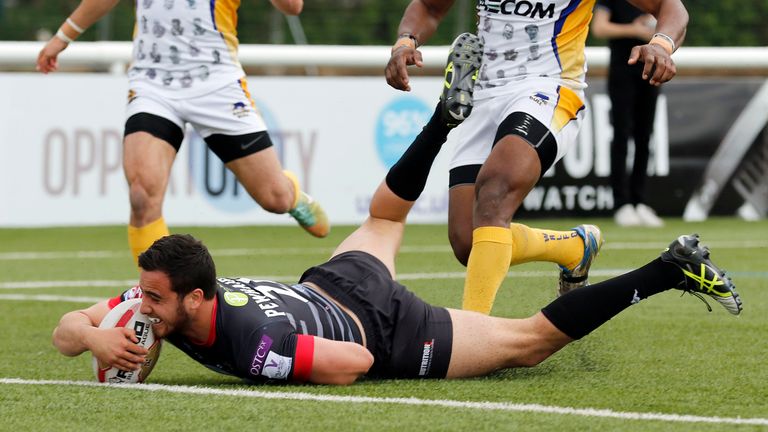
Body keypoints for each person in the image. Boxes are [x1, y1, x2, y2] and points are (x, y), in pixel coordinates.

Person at [52, 107, 742, 385]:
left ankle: (667, 268)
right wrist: (95, 339)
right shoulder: (166, 299)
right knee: (385, 216)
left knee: (528, 343)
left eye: (151, 297)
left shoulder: (250, 340)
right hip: (328, 281)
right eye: (140, 295)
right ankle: (444, 118)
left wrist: (283, 369)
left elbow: (351, 362)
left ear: (196, 298)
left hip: (381, 324)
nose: (138, 305)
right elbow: (64, 331)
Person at [385, 0, 688, 315]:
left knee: (495, 190)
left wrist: (661, 43)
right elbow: (429, 7)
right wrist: (405, 42)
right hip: (482, 95)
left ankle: (470, 334)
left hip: (549, 89)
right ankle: (574, 247)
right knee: (468, 243)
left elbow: (670, 7)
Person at [36, 0, 329, 267]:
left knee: (273, 198)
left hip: (217, 84)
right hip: (153, 83)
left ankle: (289, 193)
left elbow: (293, 7)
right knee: (141, 195)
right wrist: (62, 37)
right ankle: (160, 294)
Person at [591, 0, 665, 227]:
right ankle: (621, 203)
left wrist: (655, 35)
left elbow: (672, 24)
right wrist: (635, 30)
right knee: (621, 134)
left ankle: (639, 201)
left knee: (645, 136)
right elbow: (599, 28)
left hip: (650, 69)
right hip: (622, 70)